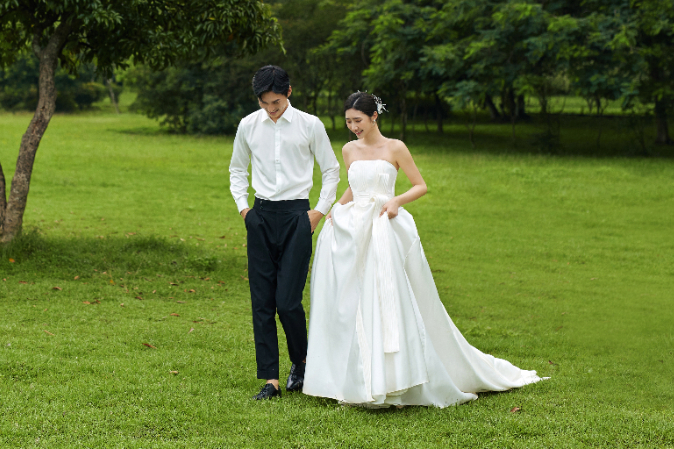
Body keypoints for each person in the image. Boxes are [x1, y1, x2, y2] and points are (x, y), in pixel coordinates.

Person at [303, 91, 545, 407]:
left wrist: (396, 201)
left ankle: (398, 376)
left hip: (383, 225)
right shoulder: (349, 150)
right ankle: (359, 376)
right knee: (355, 299)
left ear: (374, 116)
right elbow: (355, 184)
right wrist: (337, 208)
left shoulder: (396, 148)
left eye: (358, 120)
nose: (353, 127)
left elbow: (420, 185)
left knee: (387, 294)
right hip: (354, 226)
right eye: (349, 121)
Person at [229, 65, 340, 400]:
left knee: (288, 301)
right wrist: (244, 210)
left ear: (288, 92)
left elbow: (331, 169)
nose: (270, 109)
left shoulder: (310, 125)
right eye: (264, 103)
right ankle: (271, 380)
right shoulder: (248, 125)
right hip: (260, 216)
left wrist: (317, 213)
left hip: (297, 217)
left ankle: (302, 361)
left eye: (275, 102)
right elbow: (237, 168)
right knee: (262, 301)